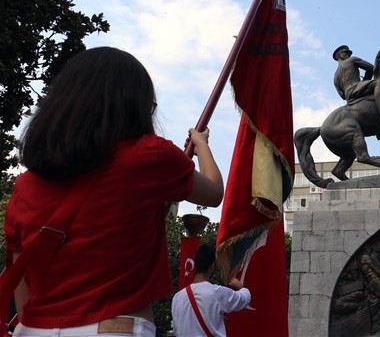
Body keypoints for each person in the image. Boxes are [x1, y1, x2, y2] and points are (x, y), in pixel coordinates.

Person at [4, 47, 224, 337]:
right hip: (114, 327)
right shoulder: (149, 156)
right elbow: (213, 192)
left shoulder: (26, 184)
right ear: (135, 105)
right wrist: (201, 142)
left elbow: (22, 284)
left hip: (33, 329)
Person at [171, 244, 250, 337]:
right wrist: (241, 287)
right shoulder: (216, 292)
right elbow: (245, 298)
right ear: (212, 266)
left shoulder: (177, 298)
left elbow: (176, 330)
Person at [332, 45, 380, 120]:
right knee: (377, 83)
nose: (349, 55)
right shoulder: (352, 60)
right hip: (355, 87)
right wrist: (366, 80)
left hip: (348, 95)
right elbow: (370, 68)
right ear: (340, 55)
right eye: (346, 53)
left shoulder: (335, 76)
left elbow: (342, 95)